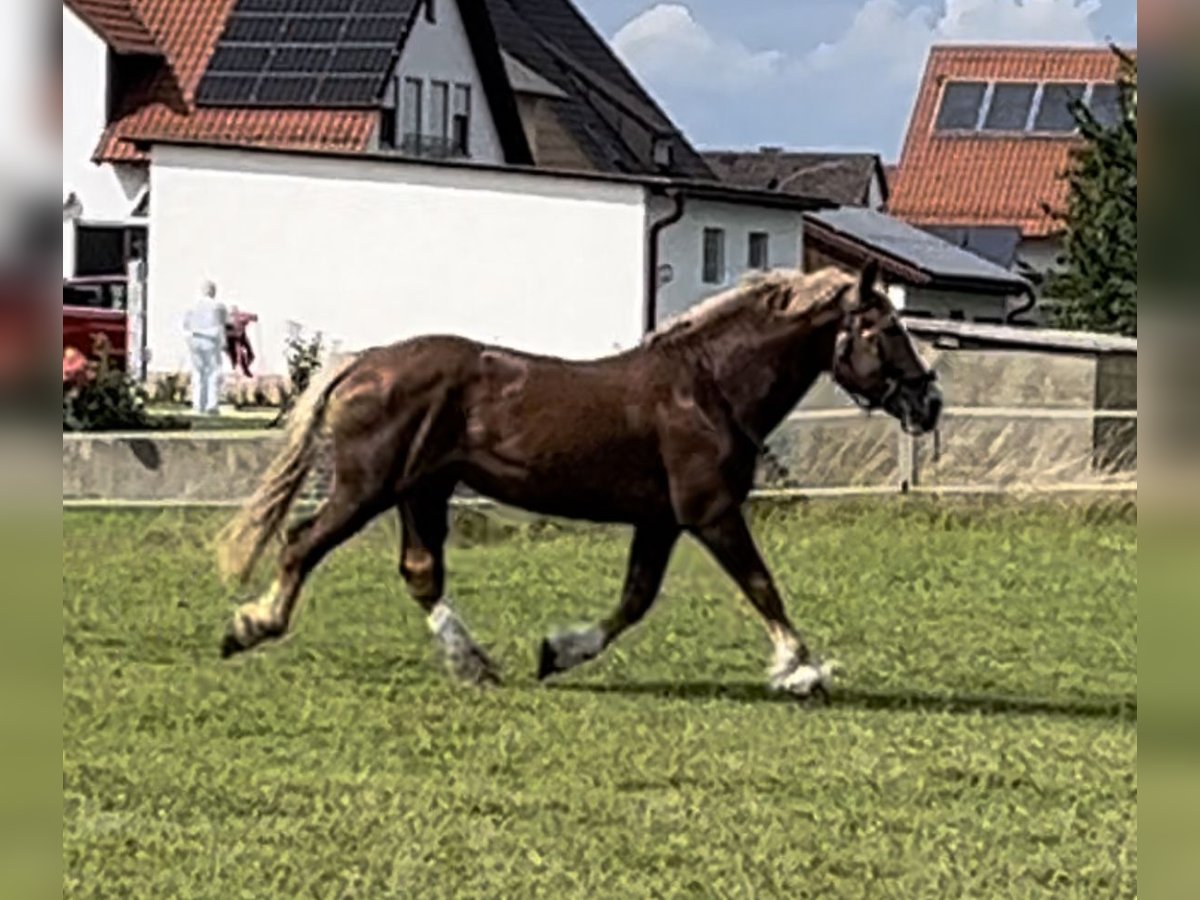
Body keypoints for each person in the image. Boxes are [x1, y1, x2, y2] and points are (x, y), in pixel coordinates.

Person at [183, 280, 228, 415]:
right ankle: (211, 405)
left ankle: (198, 404)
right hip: (211, 340)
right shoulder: (218, 306)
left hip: (195, 340)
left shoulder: (192, 307)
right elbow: (222, 324)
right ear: (213, 291)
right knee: (213, 373)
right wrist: (224, 341)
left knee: (198, 373)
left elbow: (186, 326)